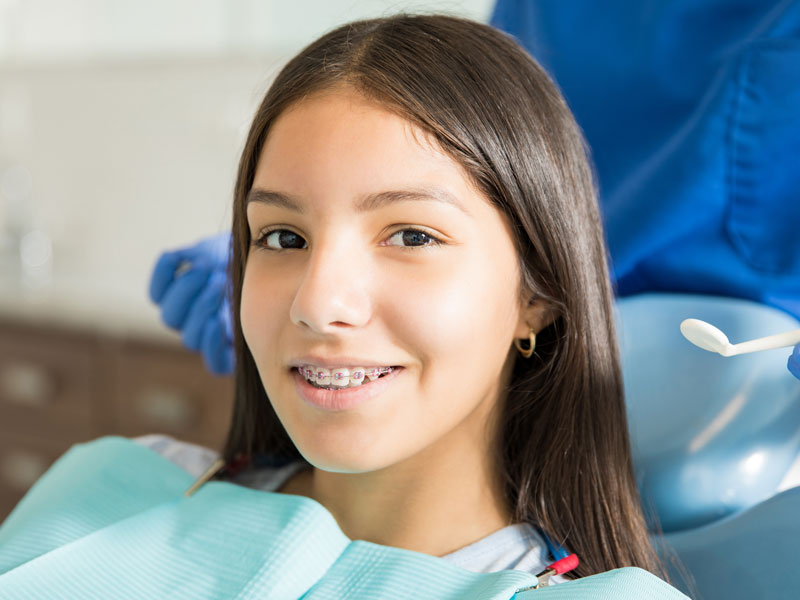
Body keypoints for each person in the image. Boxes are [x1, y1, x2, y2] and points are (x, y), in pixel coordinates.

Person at [143, 12, 688, 586]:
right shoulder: (129, 483)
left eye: (412, 236)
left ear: (538, 296)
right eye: (283, 237)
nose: (318, 301)